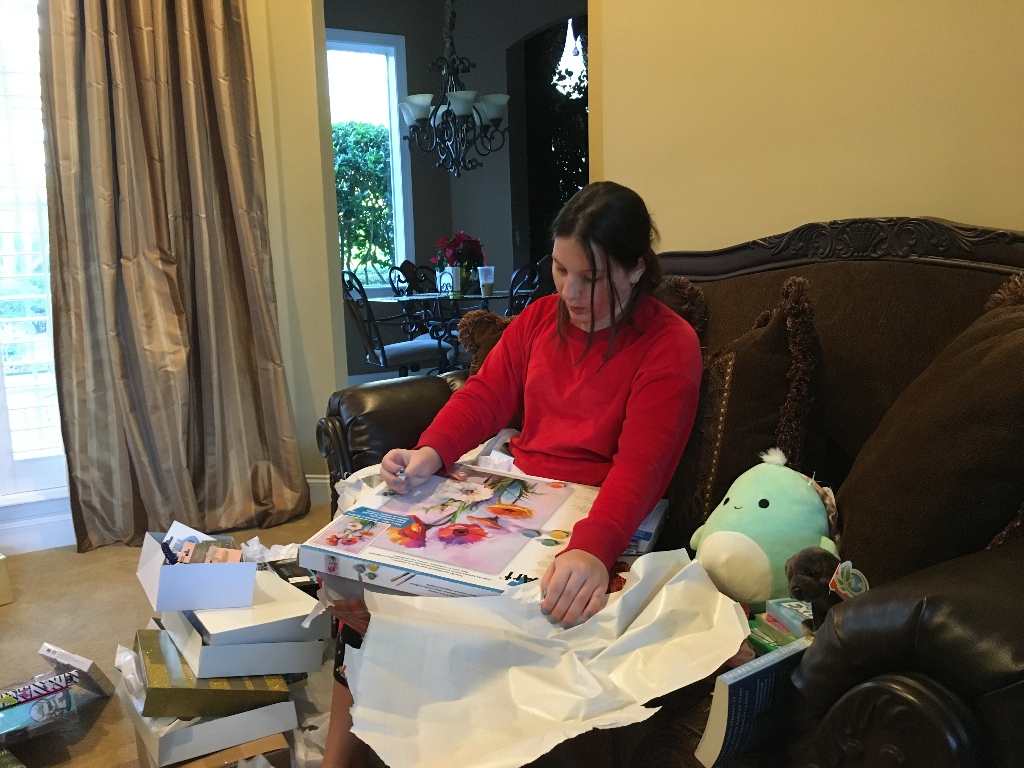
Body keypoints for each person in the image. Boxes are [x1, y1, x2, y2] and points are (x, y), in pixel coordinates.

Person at [321, 181, 703, 768]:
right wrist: (430, 452)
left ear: (635, 269)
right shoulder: (539, 320)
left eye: (590, 279)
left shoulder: (669, 344)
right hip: (515, 488)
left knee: (442, 613)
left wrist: (594, 549)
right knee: (369, 582)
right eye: (560, 270)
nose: (569, 293)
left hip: (593, 508)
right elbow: (483, 396)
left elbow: (643, 467)